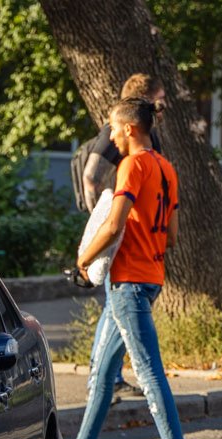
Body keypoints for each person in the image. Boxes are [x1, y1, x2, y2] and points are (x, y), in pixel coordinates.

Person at [58, 97, 196, 439]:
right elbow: (172, 235)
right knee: (102, 374)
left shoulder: (131, 166)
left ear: (131, 129)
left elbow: (114, 224)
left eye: (114, 129)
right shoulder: (167, 169)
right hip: (150, 277)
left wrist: (83, 259)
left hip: (128, 283)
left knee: (149, 373)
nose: (112, 136)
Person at [83, 73, 168, 405]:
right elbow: (91, 176)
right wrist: (98, 224)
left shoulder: (148, 144)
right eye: (160, 102)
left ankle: (107, 379)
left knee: (115, 312)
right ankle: (102, 380)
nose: (164, 108)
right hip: (118, 237)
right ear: (144, 103)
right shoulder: (119, 136)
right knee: (114, 311)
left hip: (131, 239)